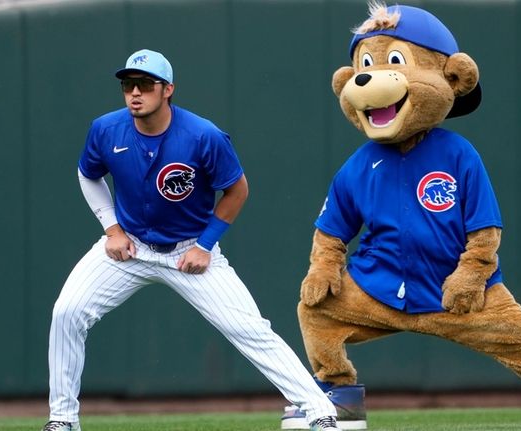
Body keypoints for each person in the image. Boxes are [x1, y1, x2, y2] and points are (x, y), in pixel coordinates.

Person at [41, 49, 340, 431]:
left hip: (188, 250)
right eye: (128, 85)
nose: (135, 93)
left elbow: (237, 190)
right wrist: (111, 228)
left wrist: (205, 244)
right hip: (130, 247)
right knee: (67, 312)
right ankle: (62, 420)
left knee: (251, 330)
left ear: (168, 90)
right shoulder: (105, 129)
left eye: (145, 85)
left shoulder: (203, 136)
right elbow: (88, 174)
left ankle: (320, 412)